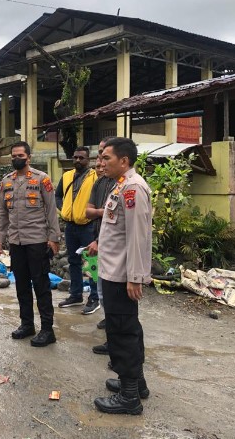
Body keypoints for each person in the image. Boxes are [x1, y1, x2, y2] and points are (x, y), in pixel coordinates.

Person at [91, 137, 152, 415]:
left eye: (106, 158)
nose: (101, 163)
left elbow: (138, 237)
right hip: (113, 271)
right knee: (126, 328)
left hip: (121, 275)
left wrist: (135, 277)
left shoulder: (133, 189)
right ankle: (136, 383)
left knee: (123, 332)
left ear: (124, 161)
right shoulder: (121, 186)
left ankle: (129, 398)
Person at [0, 141, 61, 347]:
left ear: (28, 158)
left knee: (41, 286)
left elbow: (51, 210)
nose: (16, 159)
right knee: (21, 285)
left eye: (20, 155)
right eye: (13, 156)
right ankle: (27, 324)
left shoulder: (42, 180)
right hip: (16, 242)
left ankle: (47, 330)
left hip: (37, 241)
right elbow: (1, 211)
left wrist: (54, 238)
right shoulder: (6, 182)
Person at [55, 146, 99, 314]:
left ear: (89, 160)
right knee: (73, 261)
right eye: (75, 157)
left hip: (88, 226)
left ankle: (94, 298)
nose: (78, 160)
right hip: (70, 226)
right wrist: (63, 208)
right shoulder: (66, 176)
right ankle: (76, 295)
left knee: (92, 262)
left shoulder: (95, 177)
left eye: (82, 158)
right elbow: (57, 195)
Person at [85, 139, 115, 356]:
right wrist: (100, 211)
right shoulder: (100, 183)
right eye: (100, 157)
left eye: (105, 157)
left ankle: (119, 349)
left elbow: (116, 220)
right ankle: (113, 341)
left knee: (118, 302)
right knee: (103, 292)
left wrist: (100, 211)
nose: (101, 162)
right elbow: (90, 211)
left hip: (114, 250)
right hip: (98, 241)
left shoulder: (125, 185)